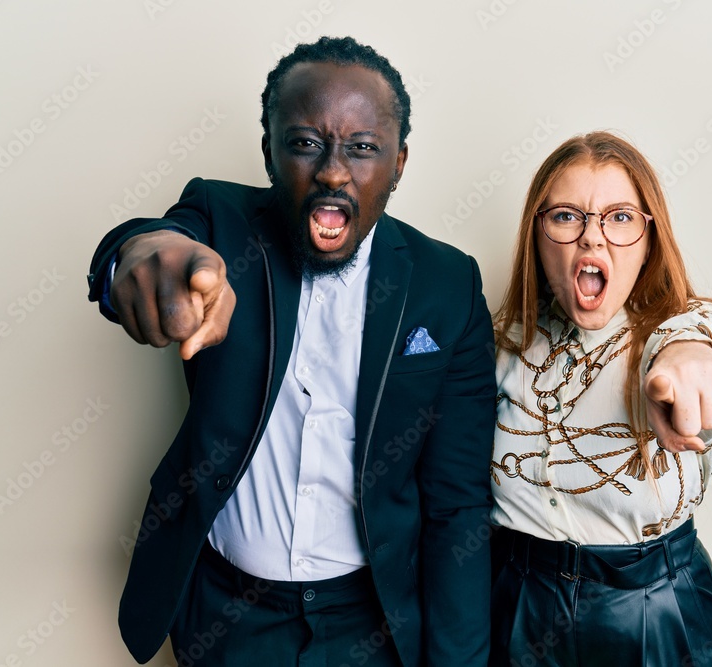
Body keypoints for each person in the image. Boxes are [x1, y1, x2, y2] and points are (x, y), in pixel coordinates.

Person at [86, 37, 499, 666]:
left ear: (400, 161)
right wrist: (140, 258)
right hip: (225, 615)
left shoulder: (447, 284)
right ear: (270, 151)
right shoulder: (221, 222)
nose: (334, 171)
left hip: (376, 623)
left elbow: (457, 501)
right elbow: (154, 244)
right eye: (306, 143)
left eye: (363, 148)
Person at [489, 131, 712, 666]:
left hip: (650, 613)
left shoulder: (680, 335)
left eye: (620, 217)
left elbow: (710, 337)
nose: (592, 238)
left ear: (649, 236)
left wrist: (689, 355)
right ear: (536, 232)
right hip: (516, 604)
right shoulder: (499, 344)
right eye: (566, 216)